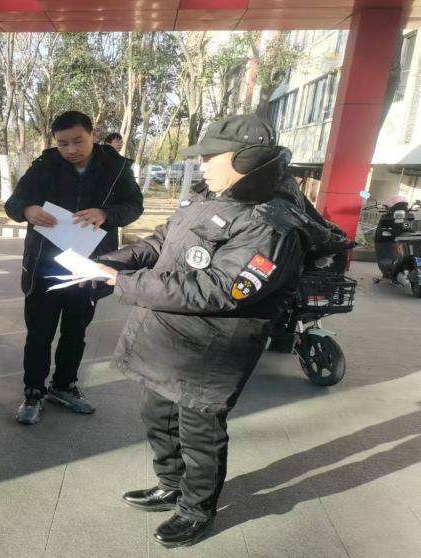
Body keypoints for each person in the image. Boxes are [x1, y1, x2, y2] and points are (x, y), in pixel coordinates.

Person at [93, 114, 319, 548]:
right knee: (158, 416)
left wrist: (124, 283)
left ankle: (197, 510)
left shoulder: (272, 224)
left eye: (212, 157)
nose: (203, 165)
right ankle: (170, 485)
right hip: (166, 339)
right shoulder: (206, 198)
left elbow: (220, 289)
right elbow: (160, 243)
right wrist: (110, 263)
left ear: (247, 160)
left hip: (211, 350)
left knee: (199, 434)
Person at [4, 111, 144, 426]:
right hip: (44, 265)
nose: (71, 150)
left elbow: (135, 206)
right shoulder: (44, 166)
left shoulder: (116, 168)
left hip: (88, 267)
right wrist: (27, 209)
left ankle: (64, 386)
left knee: (75, 331)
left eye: (78, 141)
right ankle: (33, 392)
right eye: (63, 143)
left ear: (93, 134)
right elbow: (13, 203)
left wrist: (106, 214)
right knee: (39, 334)